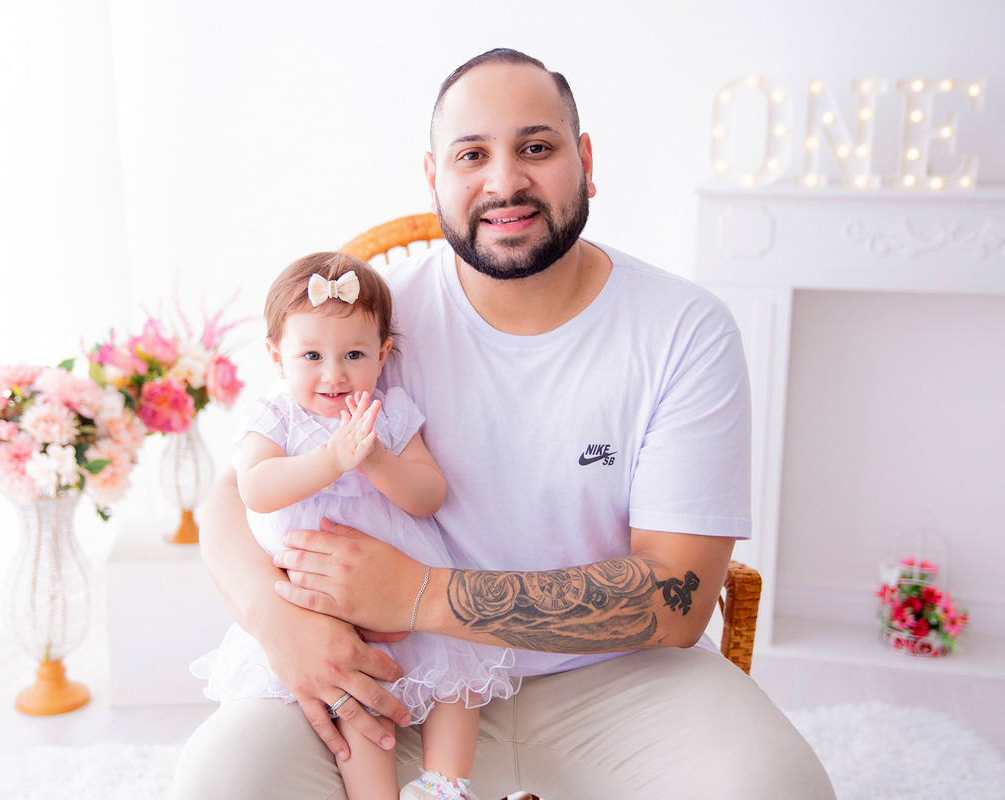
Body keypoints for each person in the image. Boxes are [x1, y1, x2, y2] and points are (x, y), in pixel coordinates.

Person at [172, 49, 836, 799]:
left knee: (777, 788)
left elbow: (678, 594)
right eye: (471, 155)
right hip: (399, 673)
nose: (504, 182)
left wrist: (420, 592)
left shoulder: (684, 330)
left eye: (536, 147)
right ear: (434, 180)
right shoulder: (371, 323)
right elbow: (236, 490)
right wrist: (274, 620)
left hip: (618, 679)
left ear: (583, 160)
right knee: (218, 781)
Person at [190, 252, 518, 800]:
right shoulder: (275, 417)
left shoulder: (387, 413)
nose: (333, 373)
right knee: (359, 709)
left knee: (460, 680)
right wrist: (332, 460)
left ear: (383, 354)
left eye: (354, 354)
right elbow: (256, 489)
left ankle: (445, 786)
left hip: (406, 592)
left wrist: (377, 463)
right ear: (277, 356)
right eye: (312, 355)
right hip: (319, 600)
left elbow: (428, 494)